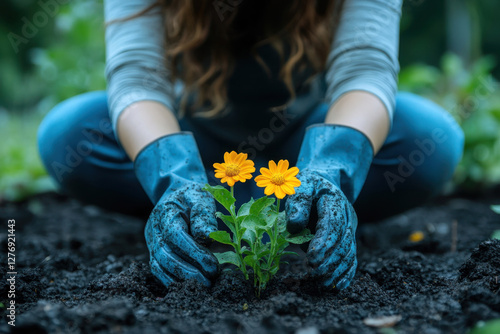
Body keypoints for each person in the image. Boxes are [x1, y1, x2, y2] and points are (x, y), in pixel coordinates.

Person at [38, 0, 464, 290]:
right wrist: (174, 179)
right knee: (68, 135)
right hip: (192, 143)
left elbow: (365, 69)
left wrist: (329, 169)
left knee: (428, 138)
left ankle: (305, 205)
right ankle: (197, 210)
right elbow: (137, 78)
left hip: (308, 142)